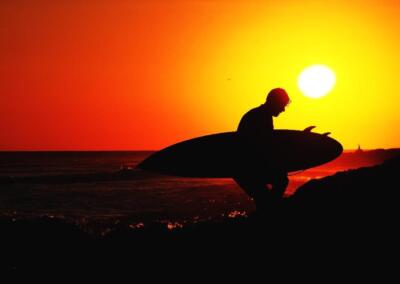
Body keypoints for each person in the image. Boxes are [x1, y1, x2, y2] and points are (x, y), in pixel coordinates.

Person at [233, 88, 291, 212]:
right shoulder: (260, 117)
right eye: (282, 105)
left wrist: (304, 138)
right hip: (246, 169)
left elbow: (271, 145)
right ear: (275, 102)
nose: (283, 109)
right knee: (278, 183)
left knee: (269, 195)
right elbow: (263, 147)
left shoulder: (261, 115)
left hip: (248, 168)